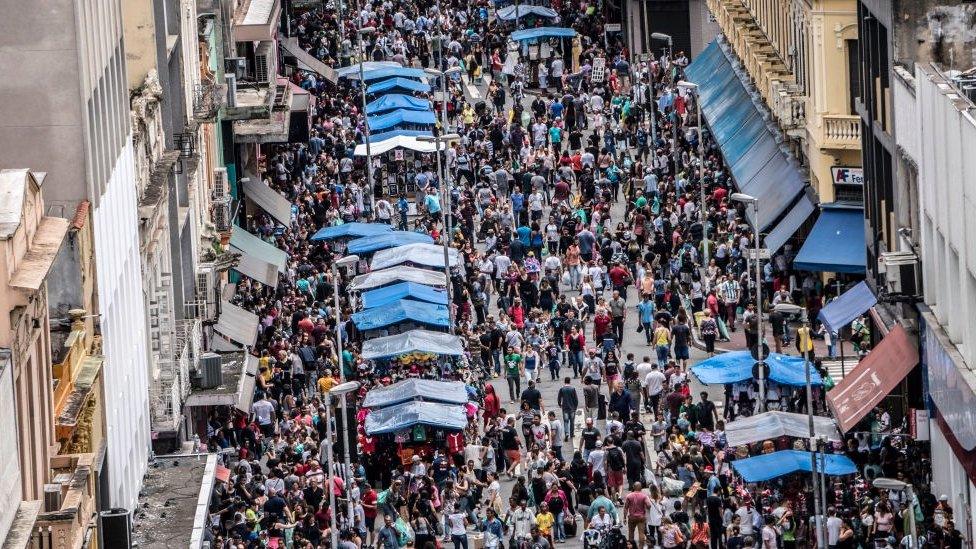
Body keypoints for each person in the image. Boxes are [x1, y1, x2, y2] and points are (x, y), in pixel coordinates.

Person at [623, 481, 650, 547]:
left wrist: (624, 518)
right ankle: (641, 547)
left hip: (632, 517)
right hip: (641, 517)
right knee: (641, 533)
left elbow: (626, 507)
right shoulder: (644, 496)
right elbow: (649, 505)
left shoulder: (629, 496)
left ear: (633, 487)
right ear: (641, 488)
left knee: (631, 533)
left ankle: (631, 547)